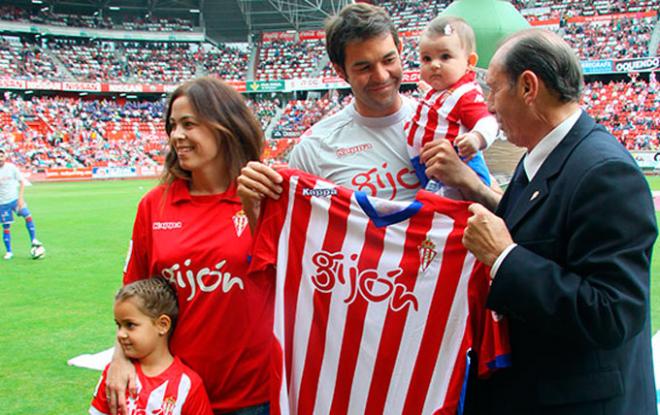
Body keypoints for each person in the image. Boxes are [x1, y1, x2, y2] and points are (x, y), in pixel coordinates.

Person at [422, 29, 657, 414]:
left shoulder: (605, 172)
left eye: (494, 89)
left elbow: (613, 313)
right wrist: (473, 188)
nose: (488, 105)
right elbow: (539, 227)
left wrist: (504, 258)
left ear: (529, 87)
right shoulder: (545, 154)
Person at [107, 77, 272, 415]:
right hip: (175, 394)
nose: (176, 136)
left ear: (225, 126)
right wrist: (119, 358)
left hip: (257, 396)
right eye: (172, 125)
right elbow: (131, 298)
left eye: (189, 124)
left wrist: (256, 212)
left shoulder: (266, 197)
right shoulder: (155, 205)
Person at [238, 3, 421, 227]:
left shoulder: (442, 125)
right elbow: (296, 235)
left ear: (400, 50)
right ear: (340, 71)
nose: (381, 75)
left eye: (388, 60)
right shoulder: (314, 149)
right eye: (364, 68)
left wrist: (464, 178)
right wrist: (254, 209)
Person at [405, 15, 498, 200]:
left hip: (458, 163)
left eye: (445, 57)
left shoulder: (466, 93)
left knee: (453, 207)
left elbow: (488, 121)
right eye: (426, 59)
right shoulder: (441, 90)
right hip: (431, 164)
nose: (435, 65)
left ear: (470, 62)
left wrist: (476, 138)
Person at [90, 277, 213, 415]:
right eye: (118, 325)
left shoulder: (188, 386)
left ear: (162, 325)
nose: (120, 334)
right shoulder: (116, 375)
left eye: (130, 325)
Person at [0, 148, 44, 260]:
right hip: (2, 203)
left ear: (5, 157)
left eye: (2, 156)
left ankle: (33, 239)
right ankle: (9, 251)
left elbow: (21, 181)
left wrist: (20, 199)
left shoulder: (11, 168)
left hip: (15, 199)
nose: (0, 159)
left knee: (27, 215)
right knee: (6, 226)